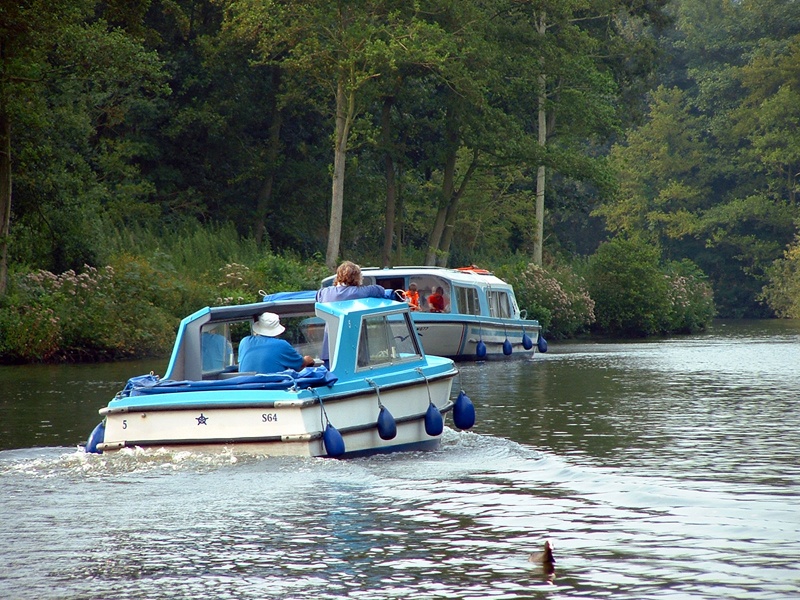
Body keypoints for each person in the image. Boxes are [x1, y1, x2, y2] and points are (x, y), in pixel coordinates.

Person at [316, 261, 391, 368]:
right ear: (357, 278)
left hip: (329, 351)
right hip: (354, 350)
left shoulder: (324, 292)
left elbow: (317, 297)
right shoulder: (359, 292)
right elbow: (379, 290)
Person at [238, 312, 314, 374]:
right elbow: (301, 363)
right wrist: (308, 360)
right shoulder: (281, 345)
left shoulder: (244, 341)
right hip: (273, 388)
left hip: (245, 388)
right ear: (277, 331)